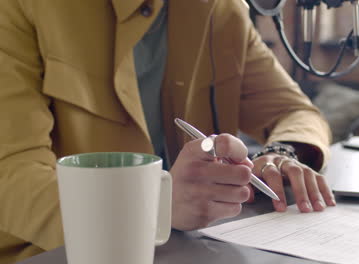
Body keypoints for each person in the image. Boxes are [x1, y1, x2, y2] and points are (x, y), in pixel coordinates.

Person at [0, 0, 335, 262]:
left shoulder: (222, 11)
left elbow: (295, 112)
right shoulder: (22, 7)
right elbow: (11, 173)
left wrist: (282, 153)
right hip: (52, 254)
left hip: (190, 248)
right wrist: (153, 209)